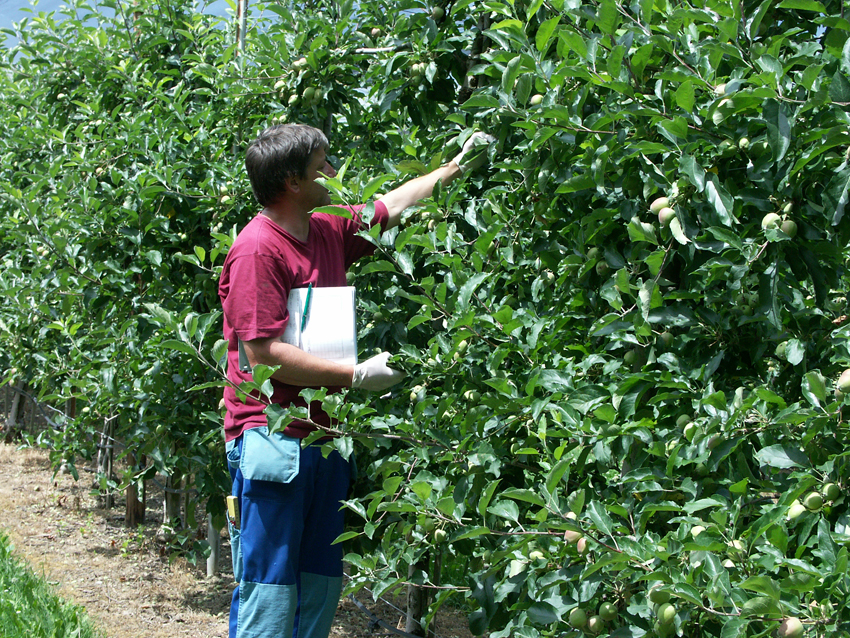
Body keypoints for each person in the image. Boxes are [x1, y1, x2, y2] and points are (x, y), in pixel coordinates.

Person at [218, 123, 494, 638]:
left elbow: (388, 207)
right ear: (292, 182)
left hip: (324, 439)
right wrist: (356, 375)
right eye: (322, 163)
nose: (333, 170)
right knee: (270, 591)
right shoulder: (258, 250)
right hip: (271, 436)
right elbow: (261, 354)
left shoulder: (326, 230)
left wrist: (455, 167)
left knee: (320, 588)